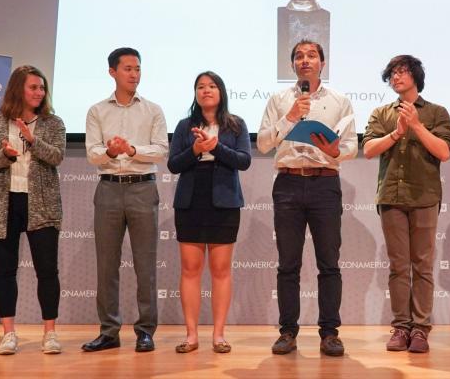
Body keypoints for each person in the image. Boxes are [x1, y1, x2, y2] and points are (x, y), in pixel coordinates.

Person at [258, 39, 357, 356]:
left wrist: (334, 151)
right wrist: (289, 118)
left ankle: (330, 333)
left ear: (322, 63)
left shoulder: (339, 100)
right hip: (288, 183)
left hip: (325, 184)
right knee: (288, 264)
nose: (305, 60)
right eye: (299, 56)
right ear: (292, 65)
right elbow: (262, 144)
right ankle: (288, 331)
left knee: (329, 264)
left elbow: (351, 146)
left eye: (312, 55)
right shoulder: (279, 99)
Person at [362, 55, 450, 353]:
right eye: (392, 74)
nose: (396, 78)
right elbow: (368, 149)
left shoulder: (437, 112)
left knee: (423, 265)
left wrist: (415, 125)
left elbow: (443, 152)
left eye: (402, 72)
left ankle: (421, 329)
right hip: (391, 197)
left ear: (415, 76)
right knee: (399, 266)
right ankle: (401, 327)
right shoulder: (381, 113)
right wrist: (397, 132)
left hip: (425, 197)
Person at [82, 47, 168, 353]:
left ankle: (145, 330)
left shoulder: (153, 110)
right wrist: (110, 152)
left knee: (146, 265)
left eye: (138, 69)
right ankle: (109, 331)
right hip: (108, 188)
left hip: (143, 188)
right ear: (113, 72)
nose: (135, 74)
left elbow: (160, 150)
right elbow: (93, 153)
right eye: (128, 68)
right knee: (107, 265)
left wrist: (131, 150)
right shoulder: (97, 110)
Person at [0, 65, 66, 355]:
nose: (39, 93)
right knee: (5, 270)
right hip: (5, 203)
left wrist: (32, 139)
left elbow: (56, 156)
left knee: (47, 270)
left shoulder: (53, 123)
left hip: (41, 204)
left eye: (42, 88)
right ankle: (8, 333)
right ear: (19, 89)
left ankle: (50, 333)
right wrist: (5, 154)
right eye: (33, 87)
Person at [167, 71, 251, 354]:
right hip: (191, 200)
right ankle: (191, 335)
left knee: (221, 271)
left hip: (224, 201)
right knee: (190, 270)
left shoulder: (235, 125)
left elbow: (244, 161)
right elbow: (173, 165)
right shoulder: (184, 126)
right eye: (200, 87)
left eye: (212, 86)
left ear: (221, 92)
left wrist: (216, 147)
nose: (206, 91)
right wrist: (195, 150)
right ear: (195, 93)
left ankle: (218, 335)